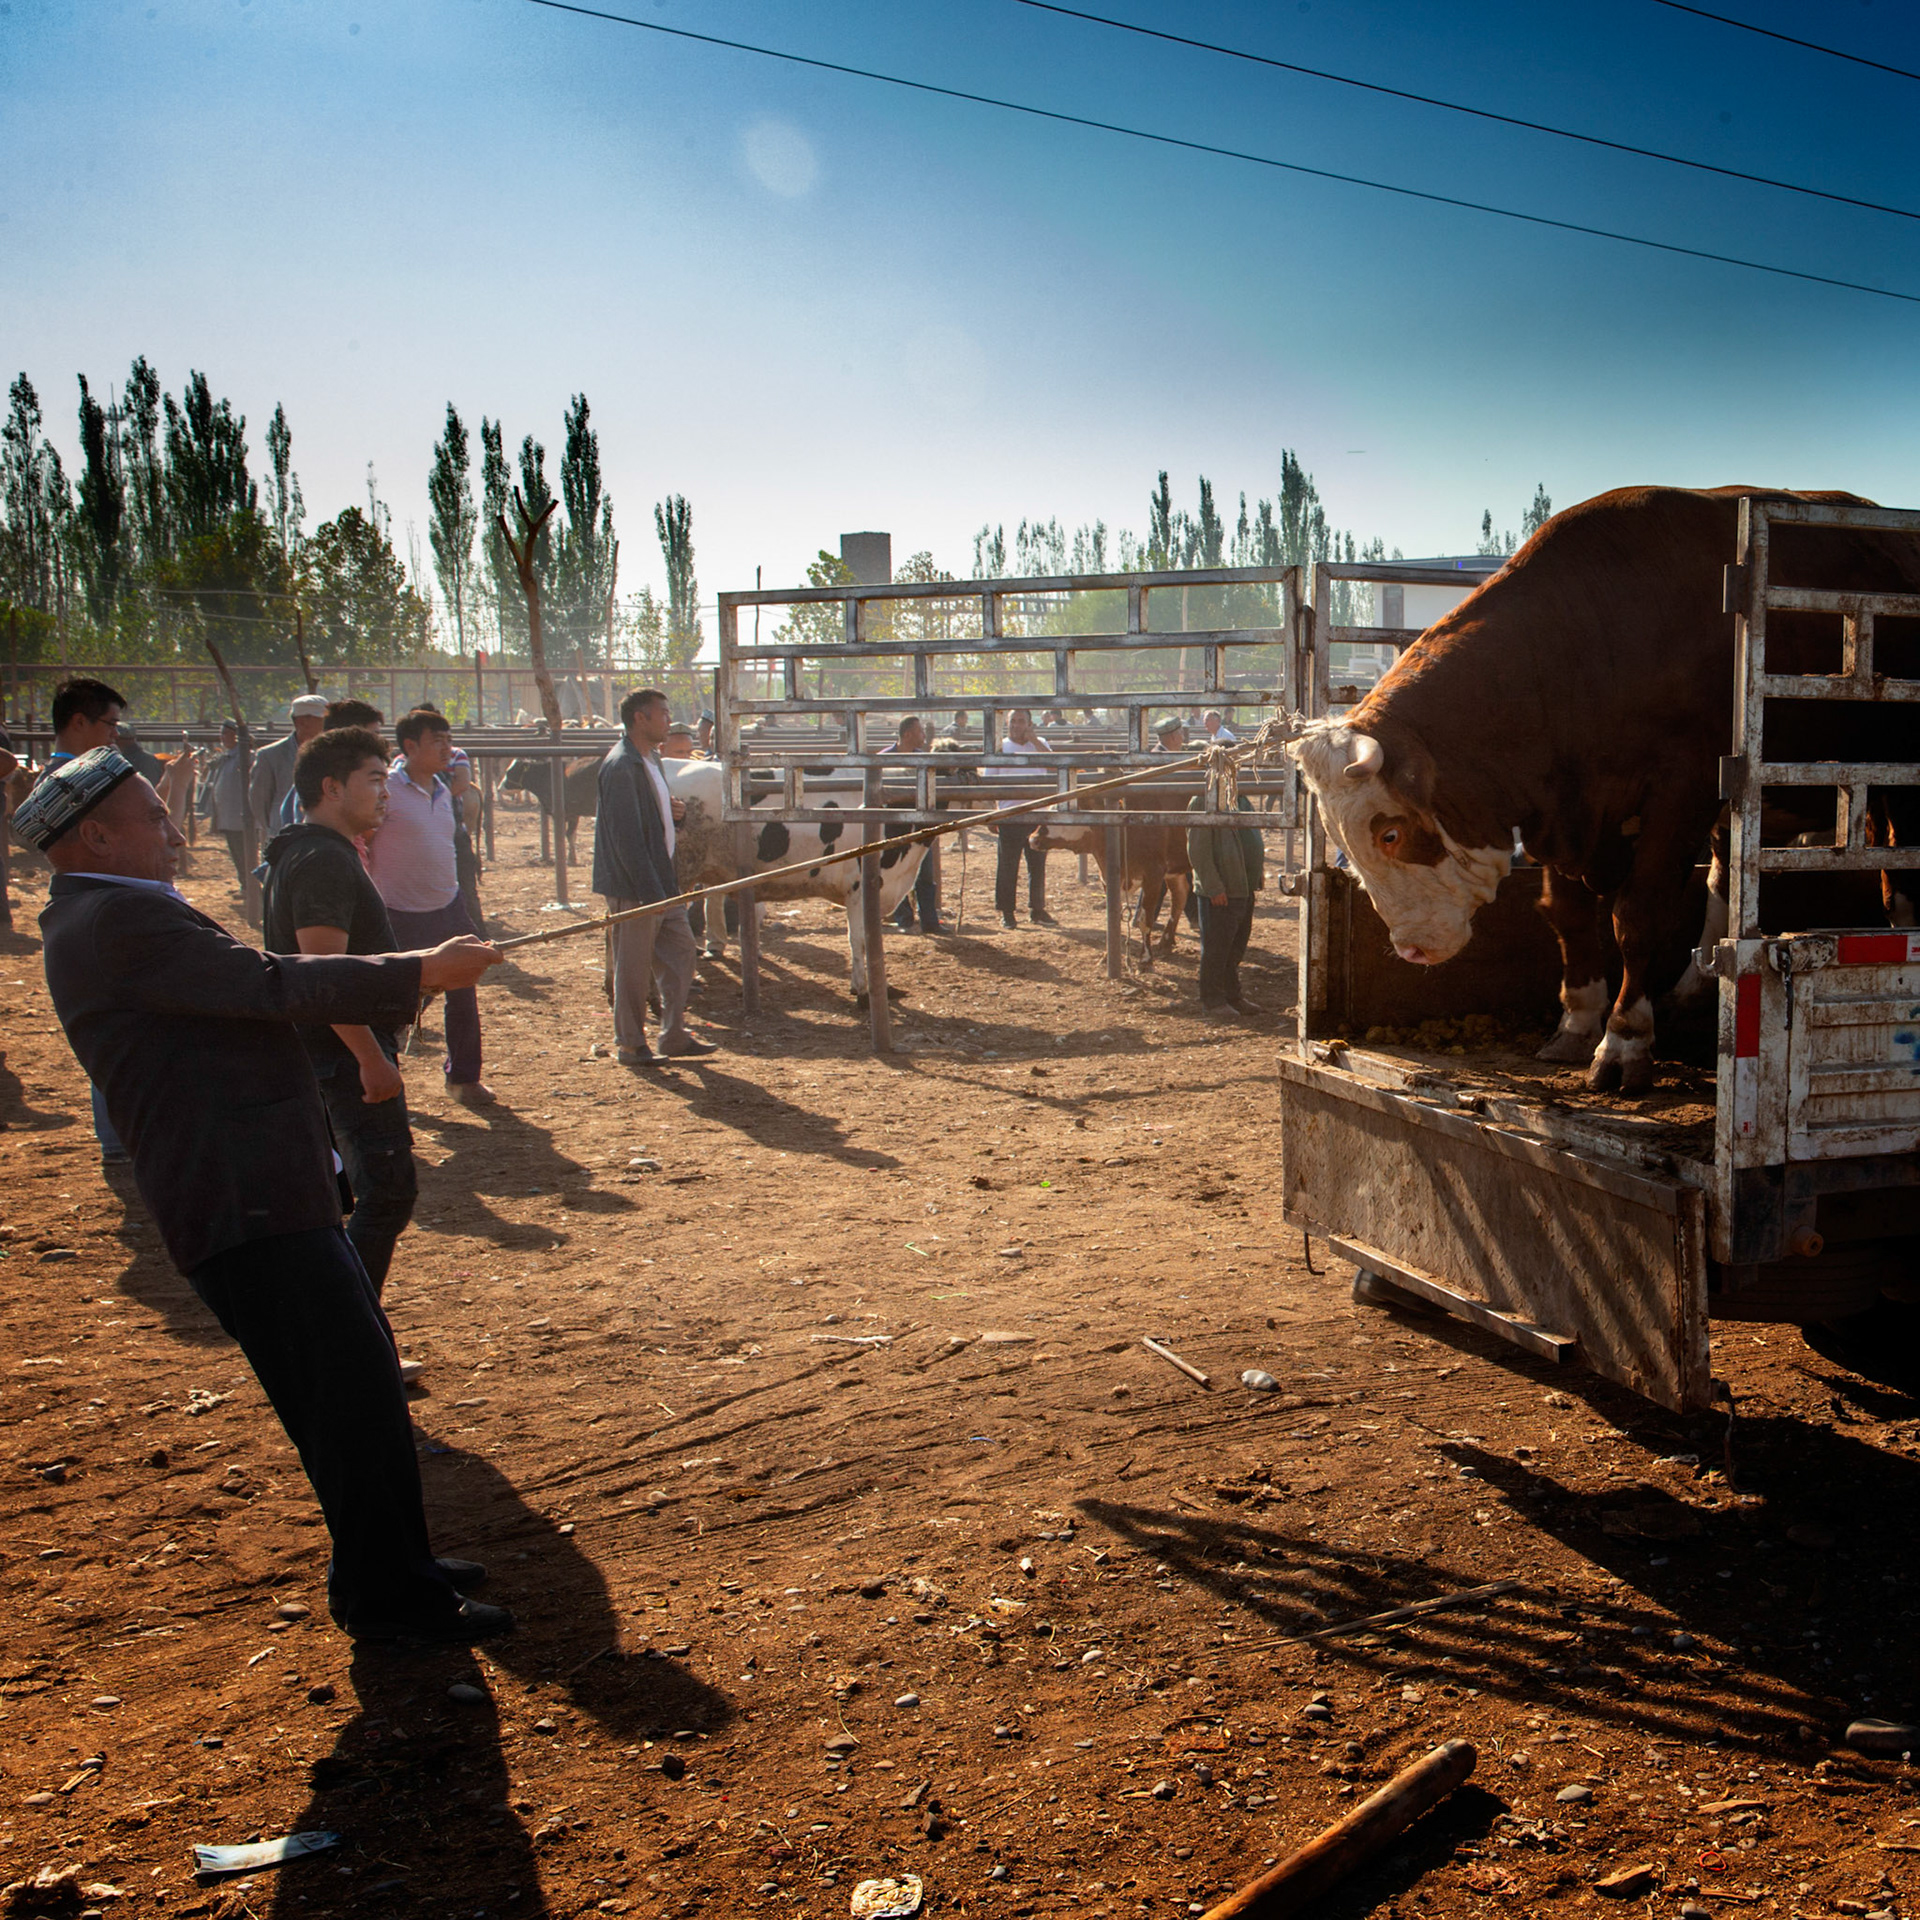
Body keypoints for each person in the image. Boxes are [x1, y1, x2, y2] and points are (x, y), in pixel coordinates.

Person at [15, 747, 510, 1645]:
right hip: (246, 1204)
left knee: (353, 1392)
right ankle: (392, 1601)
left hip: (263, 1191)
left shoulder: (111, 913)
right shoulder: (115, 922)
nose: (175, 829)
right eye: (152, 817)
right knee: (348, 1402)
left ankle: (391, 1572)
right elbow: (272, 983)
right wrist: (420, 971)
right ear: (94, 834)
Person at [263, 728, 421, 1298]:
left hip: (330, 1053)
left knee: (354, 1197)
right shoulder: (321, 861)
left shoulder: (307, 850)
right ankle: (346, 1335)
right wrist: (371, 1058)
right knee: (387, 1193)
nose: (387, 793)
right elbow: (322, 974)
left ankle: (343, 1331)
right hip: (342, 1058)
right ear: (331, 787)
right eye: (375, 780)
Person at [366, 709, 495, 1106]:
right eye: (436, 740)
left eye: (448, 739)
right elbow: (364, 843)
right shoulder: (385, 789)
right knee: (398, 994)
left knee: (463, 985)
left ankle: (463, 1078)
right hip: (396, 910)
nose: (447, 748)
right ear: (409, 746)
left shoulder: (443, 790)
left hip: (447, 903)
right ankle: (380, 1070)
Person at [593, 688, 714, 1066]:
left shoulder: (652, 762)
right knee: (632, 967)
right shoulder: (621, 767)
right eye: (662, 713)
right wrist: (652, 895)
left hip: (662, 881)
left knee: (680, 952)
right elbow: (626, 839)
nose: (668, 719)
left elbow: (653, 822)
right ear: (640, 719)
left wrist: (676, 815)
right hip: (635, 887)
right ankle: (629, 1043)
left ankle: (673, 1034)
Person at [46, 679, 133, 1161]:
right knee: (117, 1028)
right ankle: (119, 1137)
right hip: (102, 912)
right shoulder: (74, 783)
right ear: (79, 722)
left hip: (92, 911)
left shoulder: (69, 778)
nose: (115, 735)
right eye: (109, 724)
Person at [1186, 786, 1267, 1022]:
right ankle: (1212, 1001)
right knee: (1216, 948)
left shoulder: (1240, 798)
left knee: (1235, 947)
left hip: (1243, 885)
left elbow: (1252, 836)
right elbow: (1198, 849)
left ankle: (1233, 996)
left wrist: (1257, 871)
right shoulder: (1203, 799)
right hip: (1222, 890)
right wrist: (1213, 886)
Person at [989, 707, 1056, 930]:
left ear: (1029, 724)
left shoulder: (1040, 743)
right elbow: (990, 783)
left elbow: (1054, 764)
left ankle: (1037, 908)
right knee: (1008, 865)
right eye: (1013, 721)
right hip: (1010, 814)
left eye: (1021, 721)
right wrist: (994, 813)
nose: (1016, 725)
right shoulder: (1000, 747)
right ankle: (1007, 912)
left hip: (1037, 815)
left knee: (1037, 864)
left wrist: (1034, 740)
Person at [881, 716, 946, 935]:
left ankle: (929, 921)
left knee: (924, 874)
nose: (923, 736)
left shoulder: (924, 761)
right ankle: (903, 919)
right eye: (920, 732)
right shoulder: (883, 760)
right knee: (895, 872)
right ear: (908, 734)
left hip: (918, 826)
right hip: (892, 827)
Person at [251, 694, 331, 845]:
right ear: (301, 722)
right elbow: (259, 800)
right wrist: (272, 829)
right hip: (283, 835)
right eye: (322, 720)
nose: (328, 726)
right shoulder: (270, 755)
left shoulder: (333, 752)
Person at [196, 720, 250, 884]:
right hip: (229, 815)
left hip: (240, 816)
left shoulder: (245, 756)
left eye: (226, 733)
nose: (222, 737)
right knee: (236, 852)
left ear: (236, 735)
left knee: (244, 853)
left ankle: (249, 886)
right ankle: (244, 884)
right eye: (221, 733)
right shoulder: (225, 757)